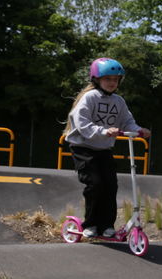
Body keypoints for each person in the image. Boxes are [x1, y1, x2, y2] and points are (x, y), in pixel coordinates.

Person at [63, 57, 151, 239]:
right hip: (84, 148)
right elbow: (81, 123)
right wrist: (102, 131)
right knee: (95, 184)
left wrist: (139, 130)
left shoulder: (119, 101)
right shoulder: (89, 98)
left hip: (103, 149)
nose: (112, 83)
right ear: (96, 79)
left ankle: (106, 225)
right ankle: (91, 224)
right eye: (107, 79)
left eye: (115, 79)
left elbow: (127, 122)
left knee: (111, 185)